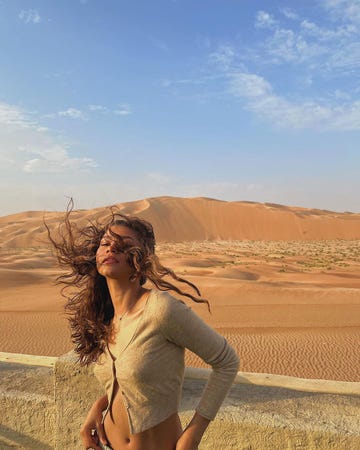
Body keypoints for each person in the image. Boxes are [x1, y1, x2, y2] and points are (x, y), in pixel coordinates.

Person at [47, 201, 240, 450]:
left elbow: (227, 361)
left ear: (143, 259)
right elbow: (130, 384)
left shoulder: (161, 309)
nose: (111, 249)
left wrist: (191, 438)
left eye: (124, 245)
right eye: (105, 243)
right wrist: (99, 405)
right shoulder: (105, 317)